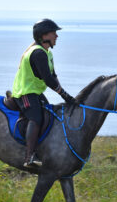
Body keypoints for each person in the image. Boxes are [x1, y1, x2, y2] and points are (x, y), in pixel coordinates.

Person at [12, 19, 76, 167]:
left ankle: (43, 149)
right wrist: (64, 95)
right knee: (36, 118)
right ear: (44, 35)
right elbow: (48, 80)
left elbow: (53, 76)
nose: (57, 36)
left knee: (50, 116)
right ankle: (29, 157)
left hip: (35, 92)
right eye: (54, 33)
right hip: (25, 92)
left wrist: (66, 95)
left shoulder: (48, 53)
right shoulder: (38, 53)